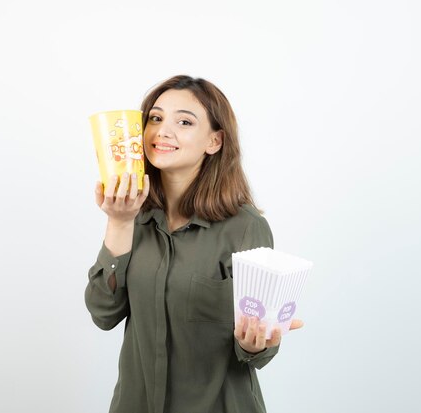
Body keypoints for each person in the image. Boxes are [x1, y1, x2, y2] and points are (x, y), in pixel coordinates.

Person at [85, 75, 304, 413]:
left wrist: (255, 342)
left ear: (214, 141)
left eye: (184, 121)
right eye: (155, 118)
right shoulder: (133, 215)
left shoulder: (245, 228)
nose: (162, 131)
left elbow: (259, 345)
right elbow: (103, 313)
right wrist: (119, 221)